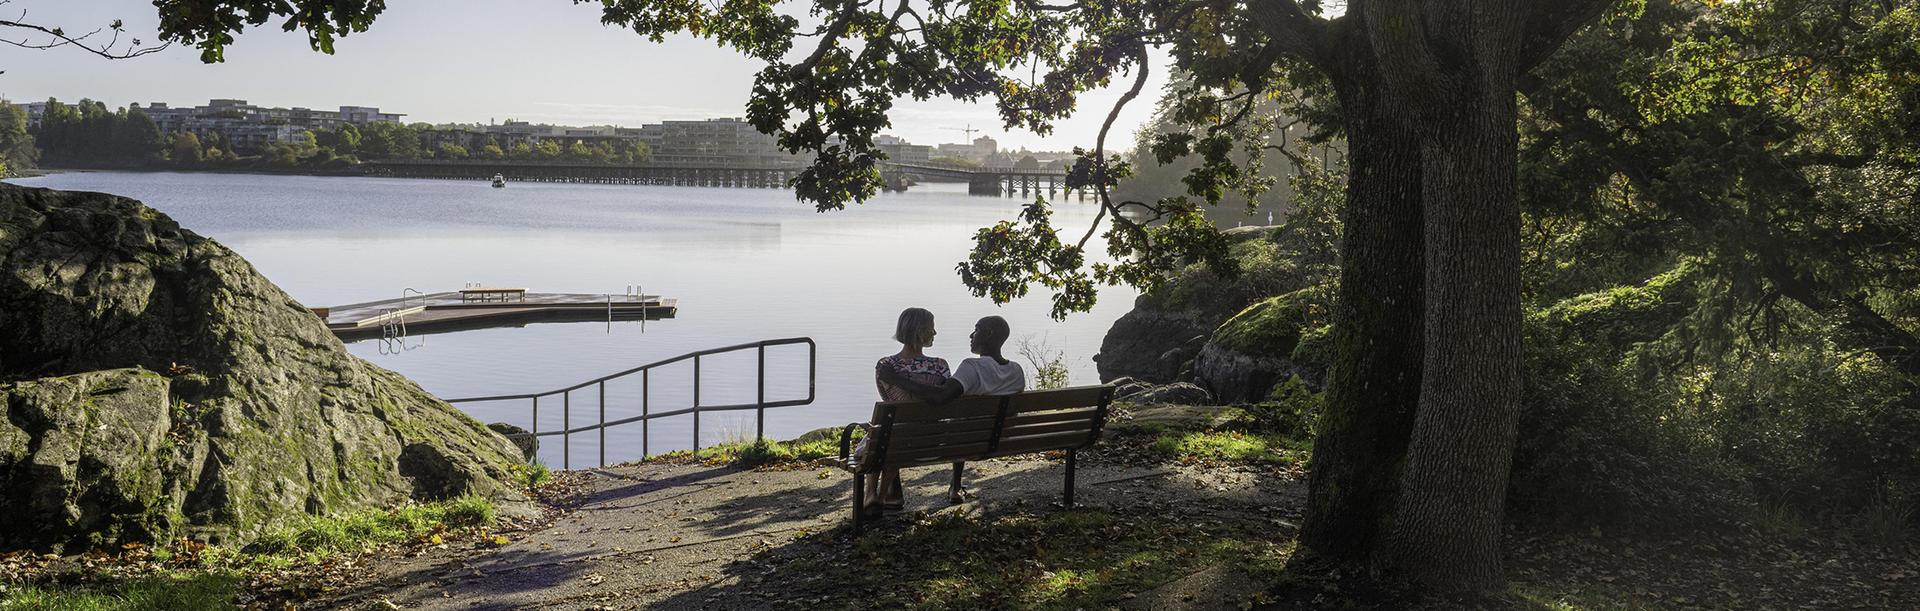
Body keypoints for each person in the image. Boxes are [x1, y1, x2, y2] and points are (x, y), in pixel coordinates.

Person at [875, 315, 1026, 504]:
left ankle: (891, 494)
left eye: (976, 329)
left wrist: (898, 379)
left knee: (958, 425)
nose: (972, 335)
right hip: (1004, 439)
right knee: (964, 422)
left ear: (988, 334)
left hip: (963, 442)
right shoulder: (1017, 371)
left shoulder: (972, 367)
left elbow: (940, 397)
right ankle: (955, 487)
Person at [865, 307, 949, 517]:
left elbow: (888, 400)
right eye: (932, 328)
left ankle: (871, 494)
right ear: (920, 331)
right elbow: (944, 398)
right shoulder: (939, 366)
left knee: (881, 435)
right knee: (893, 438)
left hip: (894, 438)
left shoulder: (886, 365)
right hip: (934, 439)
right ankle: (884, 496)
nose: (935, 333)